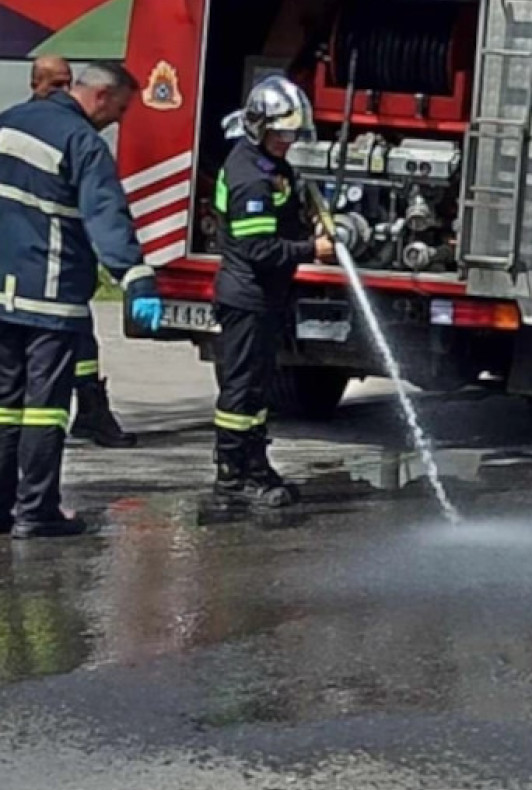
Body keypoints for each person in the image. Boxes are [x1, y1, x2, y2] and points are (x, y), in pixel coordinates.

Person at [0, 62, 163, 539]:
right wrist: (135, 276)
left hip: (2, 293)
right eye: (121, 109)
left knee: (1, 404)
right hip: (52, 297)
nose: (119, 120)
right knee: (46, 407)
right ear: (101, 96)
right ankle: (37, 510)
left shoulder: (9, 122)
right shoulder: (83, 144)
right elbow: (106, 215)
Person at [211, 76, 334, 507]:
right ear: (259, 126)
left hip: (264, 298)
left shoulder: (267, 164)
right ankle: (231, 476)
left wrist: (308, 219)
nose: (287, 141)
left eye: (292, 133)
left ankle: (255, 465)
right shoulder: (249, 178)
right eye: (281, 133)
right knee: (240, 390)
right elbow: (257, 247)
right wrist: (311, 248)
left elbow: (281, 215)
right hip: (246, 297)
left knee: (258, 390)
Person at [27, 56, 138, 448]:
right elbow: (106, 212)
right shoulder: (72, 137)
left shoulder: (44, 129)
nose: (61, 90)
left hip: (59, 266)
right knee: (43, 369)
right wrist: (132, 273)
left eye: (66, 82)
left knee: (82, 339)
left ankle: (90, 408)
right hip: (42, 268)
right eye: (54, 83)